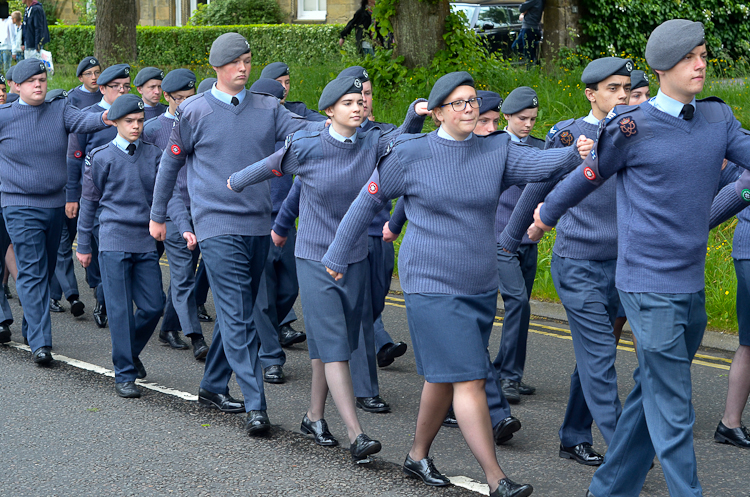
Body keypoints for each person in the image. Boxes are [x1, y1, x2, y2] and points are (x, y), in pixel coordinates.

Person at [323, 71, 592, 496]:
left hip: (479, 282)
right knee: (468, 378)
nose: (468, 109)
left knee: (443, 378)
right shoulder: (411, 155)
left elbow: (541, 166)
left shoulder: (496, 150)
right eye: (457, 103)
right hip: (430, 283)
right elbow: (368, 200)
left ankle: (416, 455)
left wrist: (574, 153)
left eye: (472, 101)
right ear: (436, 113)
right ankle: (495, 477)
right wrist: (337, 254)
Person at [531, 19, 750, 497]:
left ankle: (608, 488)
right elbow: (587, 175)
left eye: (703, 54)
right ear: (662, 66)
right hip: (646, 287)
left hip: (689, 283)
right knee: (674, 406)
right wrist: (545, 214)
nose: (700, 64)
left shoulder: (717, 119)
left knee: (652, 390)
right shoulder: (632, 126)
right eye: (689, 57)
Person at [228, 76, 427, 460]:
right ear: (330, 110)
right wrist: (233, 182)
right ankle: (356, 434)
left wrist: (415, 114)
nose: (357, 107)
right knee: (336, 347)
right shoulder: (307, 145)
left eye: (360, 101)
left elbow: (404, 141)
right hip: (315, 258)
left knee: (332, 343)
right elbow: (270, 167)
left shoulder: (372, 143)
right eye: (348, 102)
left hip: (354, 256)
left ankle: (313, 416)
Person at [149, 32, 323, 437]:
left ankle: (211, 386)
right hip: (214, 224)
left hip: (257, 223)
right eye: (234, 63)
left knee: (238, 312)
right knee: (239, 313)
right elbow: (169, 168)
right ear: (216, 68)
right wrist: (159, 216)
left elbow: (312, 130)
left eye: (247, 60)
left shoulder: (268, 107)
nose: (243, 68)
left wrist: (346, 122)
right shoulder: (192, 111)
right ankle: (256, 406)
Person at [0, 58, 113, 363]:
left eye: (42, 80)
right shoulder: (4, 116)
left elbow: (86, 122)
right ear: (17, 86)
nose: (38, 85)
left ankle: (30, 328)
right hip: (19, 205)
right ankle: (41, 343)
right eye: (31, 81)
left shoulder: (59, 110)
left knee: (46, 270)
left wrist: (110, 116)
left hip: (54, 205)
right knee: (34, 270)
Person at [76, 94, 171, 398]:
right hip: (113, 239)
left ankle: (128, 353)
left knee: (154, 304)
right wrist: (84, 245)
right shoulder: (102, 156)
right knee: (119, 310)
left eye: (140, 121)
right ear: (116, 122)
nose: (136, 126)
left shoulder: (154, 154)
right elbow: (89, 202)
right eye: (129, 121)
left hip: (144, 240)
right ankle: (125, 373)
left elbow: (164, 196)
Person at [142, 68, 209, 360]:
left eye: (190, 97)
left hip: (199, 207)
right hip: (169, 208)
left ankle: (168, 327)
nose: (185, 104)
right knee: (182, 272)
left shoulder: (201, 122)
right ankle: (196, 336)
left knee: (186, 273)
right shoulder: (153, 128)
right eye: (179, 98)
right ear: (167, 97)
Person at [242, 78, 304, 385]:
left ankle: (262, 331)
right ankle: (271, 359)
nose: (274, 107)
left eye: (278, 102)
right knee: (262, 297)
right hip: (257, 222)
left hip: (286, 221)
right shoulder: (250, 132)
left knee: (290, 288)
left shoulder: (291, 132)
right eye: (268, 101)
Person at [66, 63, 132, 329]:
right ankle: (99, 289)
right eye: (116, 87)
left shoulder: (134, 116)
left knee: (112, 251)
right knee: (94, 249)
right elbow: (74, 159)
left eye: (126, 86)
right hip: (94, 195)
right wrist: (73, 195)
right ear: (103, 89)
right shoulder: (88, 116)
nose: (122, 91)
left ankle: (105, 298)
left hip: (125, 196)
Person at [491, 86, 544, 406]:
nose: (528, 124)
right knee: (519, 302)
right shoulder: (493, 147)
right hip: (500, 240)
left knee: (520, 310)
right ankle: (507, 376)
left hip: (528, 241)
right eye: (522, 118)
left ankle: (508, 370)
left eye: (533, 119)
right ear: (507, 116)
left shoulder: (541, 147)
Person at [612, 69, 651, 346]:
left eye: (647, 95)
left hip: (640, 252)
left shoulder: (653, 134)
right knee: (607, 336)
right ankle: (589, 390)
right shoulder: (611, 137)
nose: (642, 101)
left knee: (644, 333)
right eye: (636, 95)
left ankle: (647, 389)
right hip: (606, 251)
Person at [260, 61, 326, 122]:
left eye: (287, 82)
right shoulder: (256, 111)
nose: (284, 88)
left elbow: (321, 120)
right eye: (278, 83)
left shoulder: (297, 109)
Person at [0, 8, 13, 74]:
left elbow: (12, 35)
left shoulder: (10, 20)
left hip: (7, 47)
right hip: (0, 47)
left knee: (7, 67)